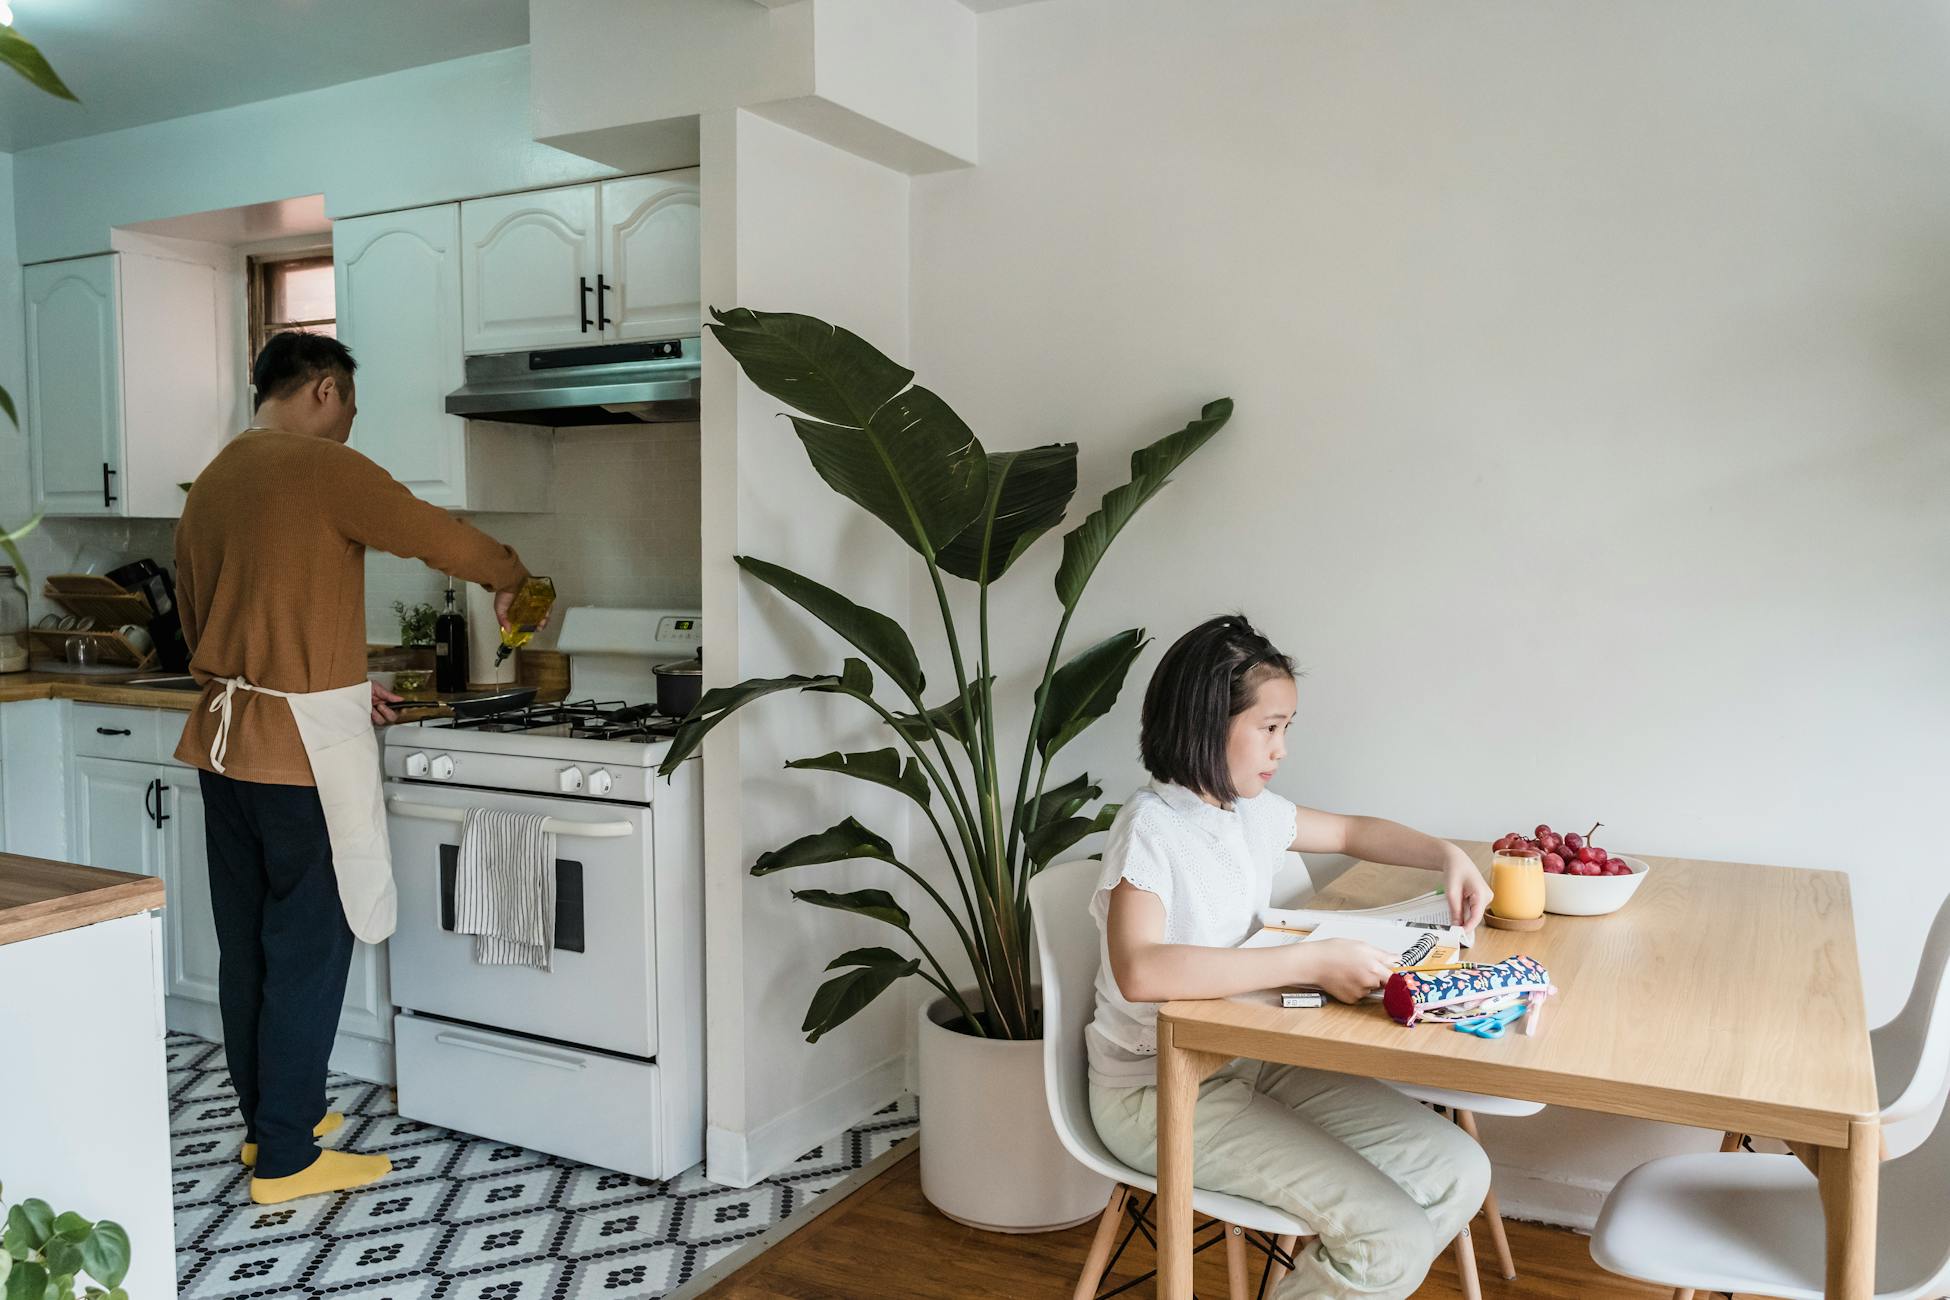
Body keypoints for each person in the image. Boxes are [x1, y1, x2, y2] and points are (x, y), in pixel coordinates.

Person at [173, 332, 533, 1205]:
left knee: (249, 948)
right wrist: (514, 573)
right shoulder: (321, 468)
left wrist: (330, 683)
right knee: (307, 949)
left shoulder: (213, 479)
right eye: (351, 409)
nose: (349, 425)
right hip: (299, 761)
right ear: (325, 391)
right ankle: (291, 1159)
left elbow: (208, 621)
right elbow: (433, 534)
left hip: (228, 747)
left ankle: (269, 1127)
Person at [1087, 614, 1495, 1300]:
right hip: (1156, 1090)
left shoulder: (1249, 811)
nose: (1281, 748)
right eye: (1269, 727)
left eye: (1286, 729)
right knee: (1386, 1237)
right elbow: (1142, 968)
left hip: (1247, 1056)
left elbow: (1354, 830)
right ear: (1206, 722)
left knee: (1461, 1171)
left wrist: (1447, 855)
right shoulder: (1151, 829)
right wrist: (1310, 961)